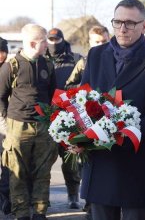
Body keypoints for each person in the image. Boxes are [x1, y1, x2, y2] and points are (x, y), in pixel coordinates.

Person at [80, 0, 145, 220]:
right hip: (100, 159)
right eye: (118, 22)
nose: (123, 28)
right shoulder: (96, 54)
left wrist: (120, 133)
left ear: (144, 26)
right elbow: (81, 100)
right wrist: (79, 136)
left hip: (135, 161)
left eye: (130, 23)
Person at [0, 24, 58, 220]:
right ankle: (21, 213)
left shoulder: (48, 66)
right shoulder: (11, 66)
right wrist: (5, 124)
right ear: (34, 43)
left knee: (43, 172)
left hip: (43, 126)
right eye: (44, 42)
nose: (47, 46)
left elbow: (53, 96)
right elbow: (0, 96)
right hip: (17, 126)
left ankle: (40, 212)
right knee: (17, 174)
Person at [45, 28, 82, 209]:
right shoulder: (41, 59)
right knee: (44, 159)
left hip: (69, 115)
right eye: (50, 39)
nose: (53, 42)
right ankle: (42, 197)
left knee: (70, 159)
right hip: (46, 114)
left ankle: (73, 194)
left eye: (56, 39)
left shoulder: (75, 59)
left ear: (62, 39)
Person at [65, 25, 110, 89]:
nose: (101, 45)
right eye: (97, 42)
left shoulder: (117, 60)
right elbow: (68, 86)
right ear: (90, 42)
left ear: (109, 40)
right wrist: (83, 86)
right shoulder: (83, 63)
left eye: (104, 41)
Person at [0, 37, 11, 216]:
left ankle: (5, 198)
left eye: (3, 51)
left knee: (7, 160)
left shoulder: (9, 68)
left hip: (4, 119)